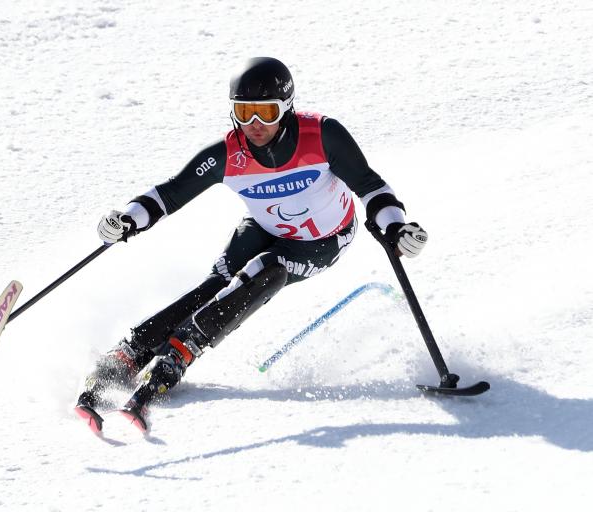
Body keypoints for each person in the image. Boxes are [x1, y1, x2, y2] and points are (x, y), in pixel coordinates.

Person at [74, 57, 428, 433]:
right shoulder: (228, 154)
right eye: (244, 112)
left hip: (321, 242)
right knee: (214, 286)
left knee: (266, 269)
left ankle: (180, 353)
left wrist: (396, 228)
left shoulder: (322, 135)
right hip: (262, 228)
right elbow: (169, 195)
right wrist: (127, 220)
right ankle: (131, 353)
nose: (254, 125)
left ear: (286, 108)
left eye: (265, 112)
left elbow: (372, 186)